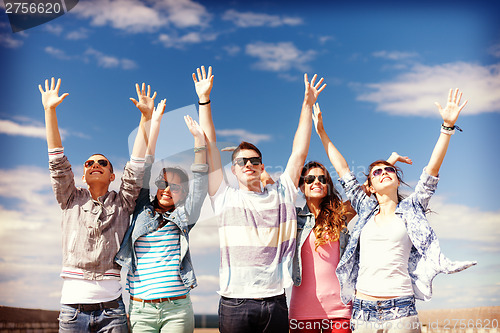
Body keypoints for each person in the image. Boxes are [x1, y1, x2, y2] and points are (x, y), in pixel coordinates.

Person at [311, 89, 476, 332]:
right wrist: (322, 133)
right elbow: (343, 168)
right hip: (363, 310)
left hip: (401, 310)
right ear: (371, 184)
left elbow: (431, 171)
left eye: (388, 170)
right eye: (376, 172)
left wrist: (447, 128)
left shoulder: (412, 208)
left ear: (397, 180)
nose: (383, 173)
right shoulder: (365, 209)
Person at [193, 65, 326, 333]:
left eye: (255, 160)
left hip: (275, 301)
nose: (249, 164)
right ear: (233, 169)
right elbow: (210, 146)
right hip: (234, 302)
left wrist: (306, 104)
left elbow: (299, 152)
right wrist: (204, 100)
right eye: (242, 161)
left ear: (262, 166)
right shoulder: (224, 196)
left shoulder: (283, 194)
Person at [40, 78, 158, 332]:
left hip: (113, 310)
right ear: (83, 175)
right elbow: (57, 163)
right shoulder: (70, 199)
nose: (95, 164)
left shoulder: (123, 202)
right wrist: (50, 111)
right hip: (72, 311)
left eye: (102, 163)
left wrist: (145, 119)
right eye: (89, 163)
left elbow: (136, 166)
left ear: (112, 176)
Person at [262, 153, 411, 333]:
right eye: (309, 179)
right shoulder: (293, 218)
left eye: (322, 179)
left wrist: (390, 163)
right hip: (302, 313)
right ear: (302, 187)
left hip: (341, 311)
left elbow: (364, 190)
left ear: (327, 186)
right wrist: (260, 171)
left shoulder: (339, 216)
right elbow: (275, 197)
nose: (316, 182)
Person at [114, 96, 209, 332]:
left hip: (176, 309)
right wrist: (153, 123)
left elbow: (200, 182)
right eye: (163, 183)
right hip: (140, 309)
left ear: (183, 193)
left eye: (175, 187)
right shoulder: (141, 211)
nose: (167, 190)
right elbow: (144, 167)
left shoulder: (185, 217)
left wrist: (199, 141)